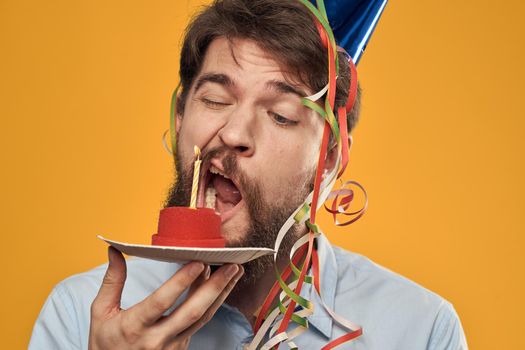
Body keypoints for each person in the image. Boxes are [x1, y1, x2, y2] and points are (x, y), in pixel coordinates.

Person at [29, 0, 468, 349]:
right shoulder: (81, 316)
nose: (234, 133)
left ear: (329, 159)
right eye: (216, 100)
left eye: (279, 115)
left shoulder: (421, 330)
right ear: (180, 117)